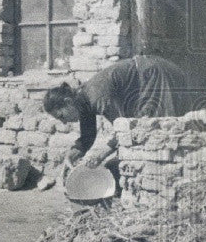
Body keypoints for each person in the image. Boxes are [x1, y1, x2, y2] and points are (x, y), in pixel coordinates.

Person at [43, 54, 191, 173]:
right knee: (144, 132)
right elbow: (88, 136)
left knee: (161, 129)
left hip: (154, 73)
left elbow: (125, 130)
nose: (64, 122)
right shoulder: (82, 101)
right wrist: (72, 154)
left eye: (61, 116)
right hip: (145, 80)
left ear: (68, 102)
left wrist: (101, 155)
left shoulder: (97, 97)